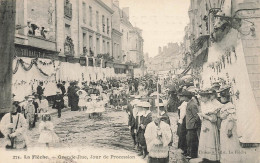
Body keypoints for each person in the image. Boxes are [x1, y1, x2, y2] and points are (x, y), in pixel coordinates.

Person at [218, 86, 242, 163]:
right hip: (224, 125)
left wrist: (229, 130)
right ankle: (226, 160)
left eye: (221, 97)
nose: (220, 99)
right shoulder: (224, 106)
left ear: (224, 98)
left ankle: (232, 160)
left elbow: (231, 119)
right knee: (225, 144)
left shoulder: (230, 106)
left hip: (228, 127)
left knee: (230, 144)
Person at [197, 89, 220, 161]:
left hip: (210, 125)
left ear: (207, 97)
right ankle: (205, 156)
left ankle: (211, 157)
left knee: (210, 140)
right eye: (201, 96)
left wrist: (204, 116)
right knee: (205, 140)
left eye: (203, 97)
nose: (201, 98)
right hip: (205, 124)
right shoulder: (203, 104)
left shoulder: (211, 106)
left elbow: (214, 119)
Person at [183, 90, 200, 159]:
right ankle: (190, 153)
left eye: (184, 97)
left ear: (187, 97)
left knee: (193, 141)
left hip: (192, 126)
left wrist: (193, 124)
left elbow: (196, 116)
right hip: (189, 125)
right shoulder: (189, 103)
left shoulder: (192, 104)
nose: (183, 99)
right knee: (189, 140)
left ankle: (193, 155)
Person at [177, 92, 188, 156]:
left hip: (183, 120)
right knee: (181, 134)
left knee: (182, 134)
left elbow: (183, 114)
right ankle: (183, 148)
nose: (179, 98)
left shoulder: (184, 104)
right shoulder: (182, 103)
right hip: (182, 120)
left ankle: (183, 148)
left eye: (181, 97)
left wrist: (180, 119)